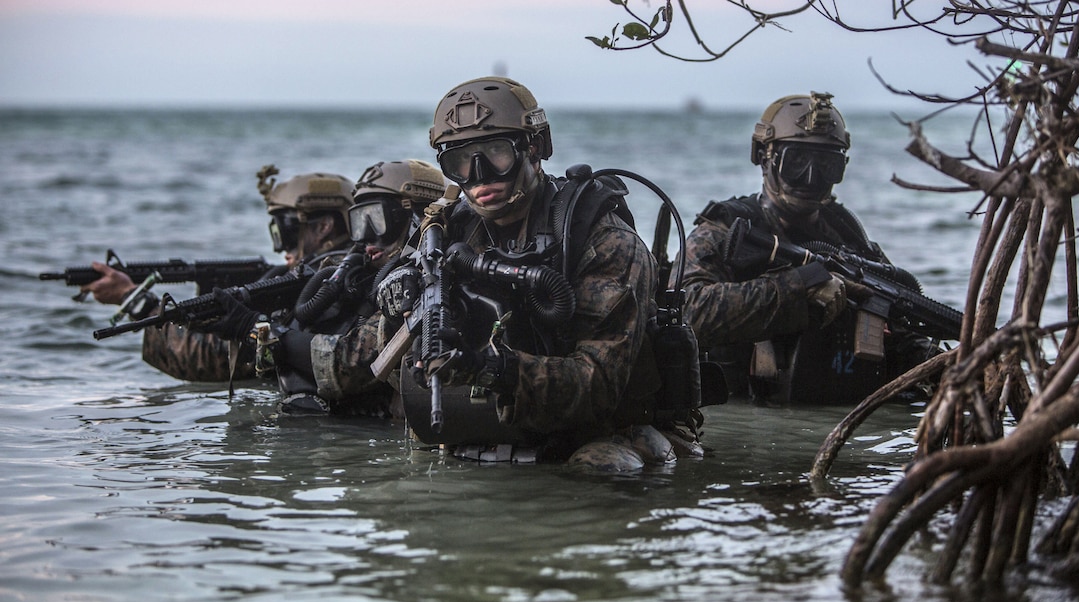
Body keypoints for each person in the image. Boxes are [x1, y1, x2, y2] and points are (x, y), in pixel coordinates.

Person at [367, 76, 701, 469]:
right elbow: (393, 374)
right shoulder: (447, 231)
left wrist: (493, 368)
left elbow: (599, 387)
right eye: (460, 162)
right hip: (497, 426)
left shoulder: (602, 240)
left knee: (603, 464)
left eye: (496, 153)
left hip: (607, 427)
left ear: (535, 148)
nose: (481, 176)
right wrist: (399, 316)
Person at [681, 92, 940, 405]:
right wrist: (800, 288)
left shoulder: (847, 235)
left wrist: (940, 365)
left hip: (843, 418)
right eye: (797, 162)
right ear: (765, 157)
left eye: (826, 165)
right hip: (751, 421)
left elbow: (897, 322)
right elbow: (691, 312)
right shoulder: (728, 231)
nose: (811, 177)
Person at [81, 166, 357, 383]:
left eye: (285, 231)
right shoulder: (345, 271)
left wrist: (136, 301)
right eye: (275, 234)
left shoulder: (322, 284)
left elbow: (212, 358)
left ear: (323, 227)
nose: (280, 246)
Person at [220, 159, 449, 417]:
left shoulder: (427, 277)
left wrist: (260, 333)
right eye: (360, 222)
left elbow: (355, 362)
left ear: (416, 218)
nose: (367, 238)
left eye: (377, 220)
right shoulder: (364, 277)